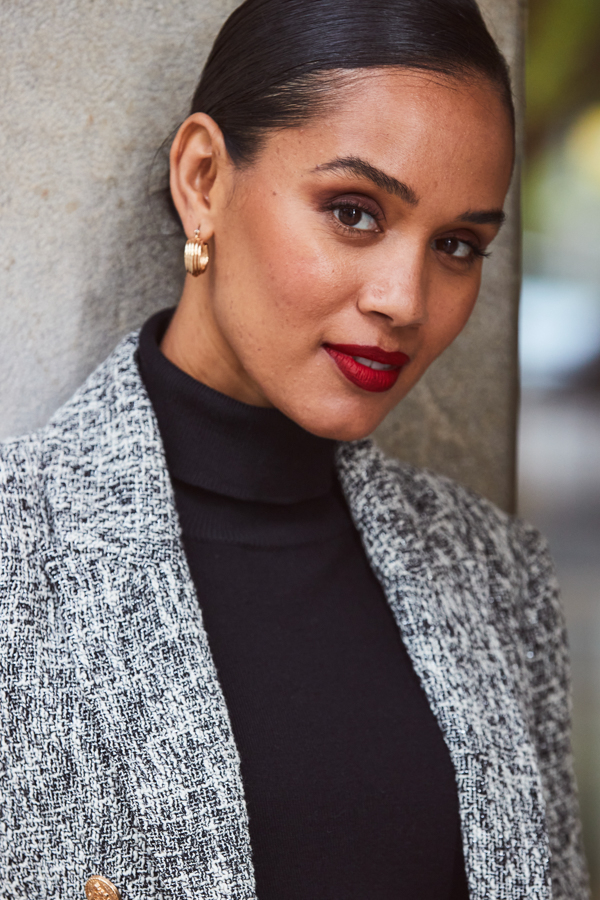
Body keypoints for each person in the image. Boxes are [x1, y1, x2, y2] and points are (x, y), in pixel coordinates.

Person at [0, 0, 589, 898]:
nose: (406, 298)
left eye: (459, 245)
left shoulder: (495, 572)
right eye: (354, 212)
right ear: (204, 179)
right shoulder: (17, 556)